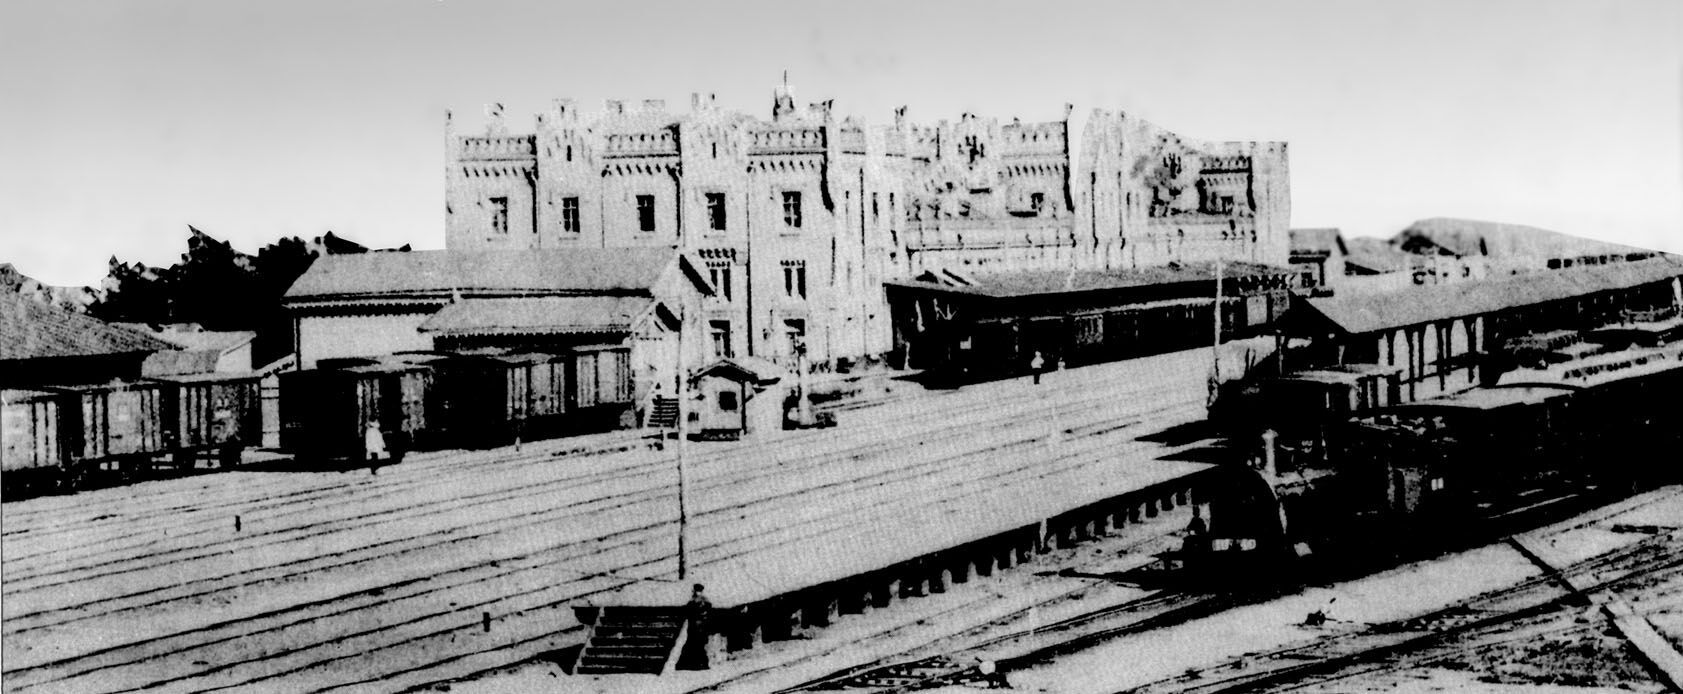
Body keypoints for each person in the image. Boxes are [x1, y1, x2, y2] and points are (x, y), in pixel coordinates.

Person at [678, 584, 713, 670]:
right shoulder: (698, 601)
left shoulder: (700, 601)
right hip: (695, 627)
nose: (695, 592)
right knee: (694, 646)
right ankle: (695, 664)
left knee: (697, 646)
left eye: (696, 590)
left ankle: (699, 665)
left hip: (699, 627)